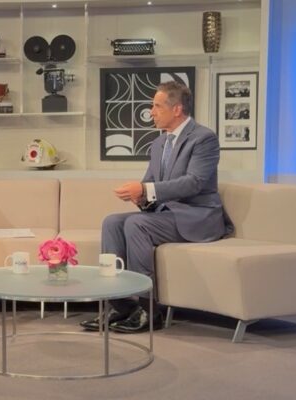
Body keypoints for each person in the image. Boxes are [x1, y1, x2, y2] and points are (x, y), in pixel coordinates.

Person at [81, 81, 233, 333]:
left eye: (157, 106)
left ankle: (148, 310)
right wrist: (140, 196)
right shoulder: (159, 143)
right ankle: (119, 305)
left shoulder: (203, 139)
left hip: (196, 217)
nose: (151, 112)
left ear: (177, 109)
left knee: (137, 224)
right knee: (112, 222)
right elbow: (151, 182)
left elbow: (194, 183)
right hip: (166, 214)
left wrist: (146, 190)